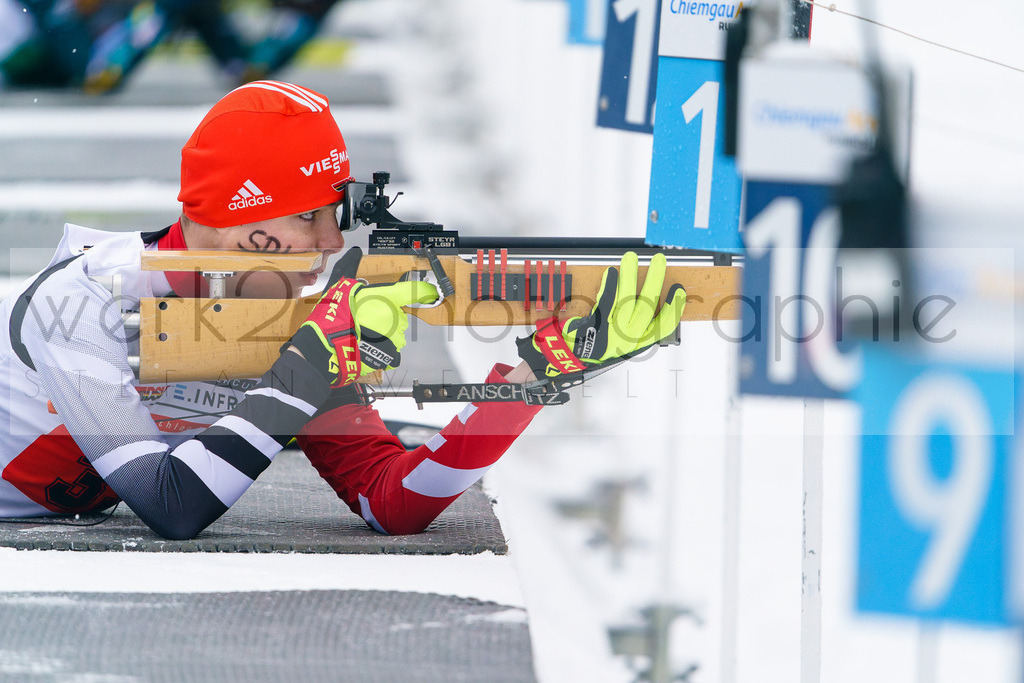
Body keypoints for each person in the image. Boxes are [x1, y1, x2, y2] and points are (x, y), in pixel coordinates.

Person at [0, 80, 685, 539]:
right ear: (244, 223)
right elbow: (170, 503)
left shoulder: (281, 321)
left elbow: (393, 499)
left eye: (337, 217)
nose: (333, 244)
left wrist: (537, 376)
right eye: (308, 218)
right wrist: (308, 365)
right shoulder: (82, 299)